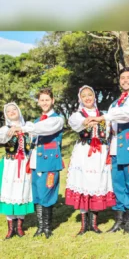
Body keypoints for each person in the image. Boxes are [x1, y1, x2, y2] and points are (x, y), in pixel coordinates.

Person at [90, 67, 129, 234]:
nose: (125, 80)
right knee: (118, 185)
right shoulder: (114, 103)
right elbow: (111, 125)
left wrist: (104, 116)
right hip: (115, 148)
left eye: (128, 77)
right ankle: (119, 222)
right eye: (122, 78)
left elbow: (127, 114)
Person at [65, 85, 116, 235]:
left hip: (100, 152)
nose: (87, 98)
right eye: (84, 96)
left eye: (90, 95)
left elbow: (109, 132)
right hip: (84, 152)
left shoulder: (103, 114)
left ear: (95, 97)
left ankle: (93, 223)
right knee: (83, 183)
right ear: (80, 99)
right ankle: (83, 224)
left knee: (96, 182)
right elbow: (76, 123)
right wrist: (87, 121)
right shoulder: (78, 114)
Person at [21, 88, 64, 238]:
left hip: (49, 162)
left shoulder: (56, 119)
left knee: (47, 193)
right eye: (42, 100)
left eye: (47, 99)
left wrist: (24, 127)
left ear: (53, 100)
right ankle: (40, 227)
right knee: (38, 195)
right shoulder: (37, 120)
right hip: (35, 162)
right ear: (38, 102)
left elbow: (44, 129)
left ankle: (47, 227)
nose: (45, 102)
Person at [0, 103, 34, 239]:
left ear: (19, 111)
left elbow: (34, 130)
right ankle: (10, 227)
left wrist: (20, 128)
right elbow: (2, 138)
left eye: (14, 109)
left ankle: (19, 226)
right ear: (6, 115)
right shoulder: (4, 129)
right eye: (8, 111)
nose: (12, 112)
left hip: (25, 163)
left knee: (22, 190)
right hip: (10, 164)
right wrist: (10, 133)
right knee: (9, 191)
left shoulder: (28, 126)